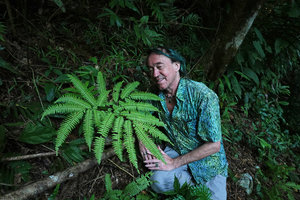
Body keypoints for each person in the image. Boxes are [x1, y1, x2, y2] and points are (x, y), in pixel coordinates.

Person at [138, 47, 228, 200]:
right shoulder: (153, 94)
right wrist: (143, 142)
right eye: (151, 69)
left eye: (160, 67)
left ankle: (193, 189)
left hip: (207, 163)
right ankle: (189, 189)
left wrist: (173, 163)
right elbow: (140, 119)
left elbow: (214, 145)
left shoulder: (203, 96)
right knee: (156, 181)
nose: (154, 74)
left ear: (176, 65)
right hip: (176, 149)